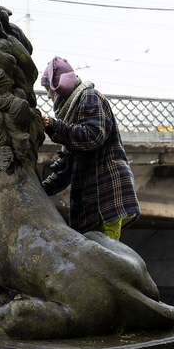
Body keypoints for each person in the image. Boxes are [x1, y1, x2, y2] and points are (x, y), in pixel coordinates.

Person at [39, 56, 140, 242]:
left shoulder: (89, 96)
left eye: (48, 89)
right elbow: (68, 166)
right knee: (97, 258)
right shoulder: (73, 108)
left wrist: (54, 126)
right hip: (95, 201)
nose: (48, 96)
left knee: (105, 259)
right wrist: (39, 191)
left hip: (106, 196)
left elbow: (93, 137)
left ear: (59, 87)